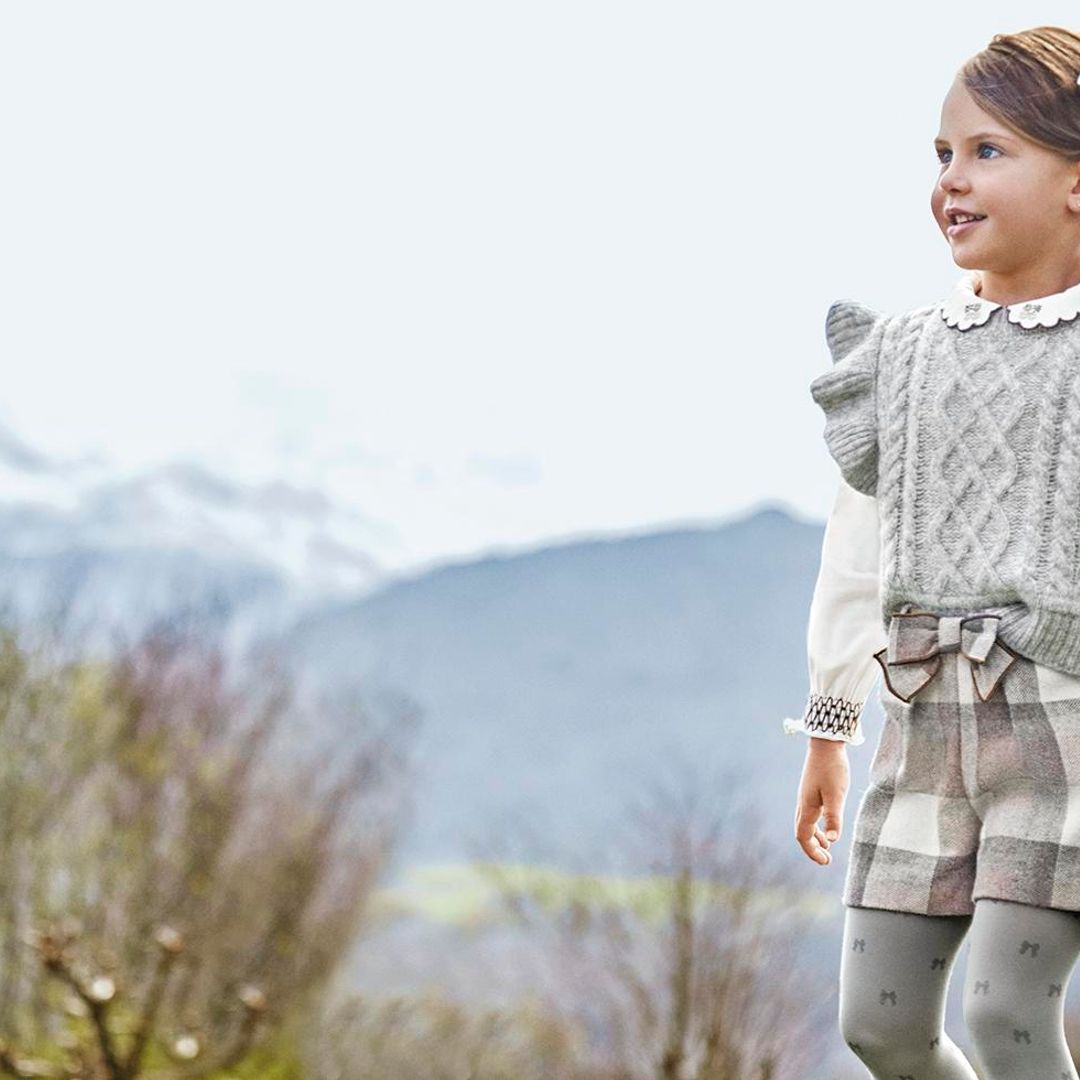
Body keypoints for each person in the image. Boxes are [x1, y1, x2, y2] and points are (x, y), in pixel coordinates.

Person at [783, 26, 1080, 1080]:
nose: (952, 181)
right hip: (925, 722)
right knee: (882, 1023)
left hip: (1066, 729)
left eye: (988, 152)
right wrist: (830, 721)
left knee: (1008, 1015)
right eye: (942, 155)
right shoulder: (903, 355)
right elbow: (858, 549)